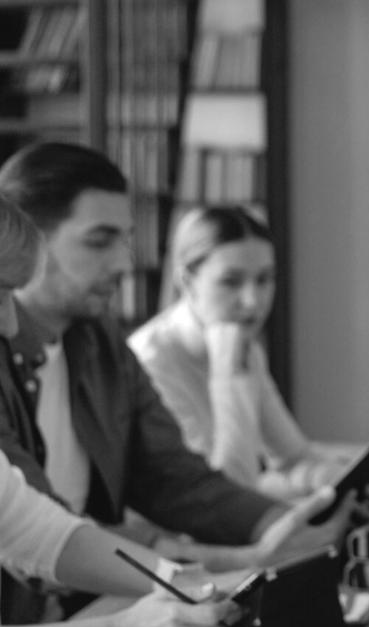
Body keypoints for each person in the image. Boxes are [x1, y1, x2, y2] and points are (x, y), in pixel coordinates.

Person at [0, 142, 352, 625]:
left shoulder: (99, 341)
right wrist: (234, 562)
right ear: (28, 241)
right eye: (99, 241)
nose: (124, 264)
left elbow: (173, 476)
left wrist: (279, 524)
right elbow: (42, 530)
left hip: (104, 608)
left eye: (125, 239)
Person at [129, 206, 346, 497]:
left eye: (264, 280)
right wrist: (227, 375)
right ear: (187, 282)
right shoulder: (150, 361)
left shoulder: (243, 346)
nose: (252, 302)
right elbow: (224, 490)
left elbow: (292, 457)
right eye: (231, 282)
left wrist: (340, 479)